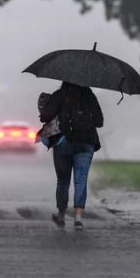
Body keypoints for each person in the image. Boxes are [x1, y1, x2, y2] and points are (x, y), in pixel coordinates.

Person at [39, 81, 104, 231]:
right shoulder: (89, 96)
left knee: (63, 181)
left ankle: (61, 216)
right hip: (86, 142)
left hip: (63, 142)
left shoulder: (59, 95)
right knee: (80, 180)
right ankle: (78, 219)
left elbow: (45, 116)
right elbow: (99, 122)